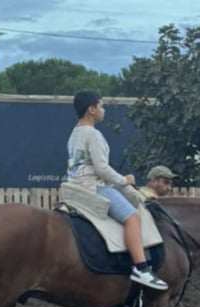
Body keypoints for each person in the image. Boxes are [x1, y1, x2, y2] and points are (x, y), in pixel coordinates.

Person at [67, 90, 168, 291]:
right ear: (91, 109)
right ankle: (141, 268)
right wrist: (124, 180)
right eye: (101, 106)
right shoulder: (93, 134)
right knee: (133, 217)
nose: (103, 110)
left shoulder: (75, 133)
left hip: (75, 186)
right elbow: (101, 169)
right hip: (94, 187)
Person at [115, 165, 178, 307]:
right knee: (144, 302)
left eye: (169, 182)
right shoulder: (147, 199)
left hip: (145, 255)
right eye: (165, 181)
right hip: (148, 256)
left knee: (154, 303)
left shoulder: (145, 197)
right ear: (153, 181)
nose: (169, 186)